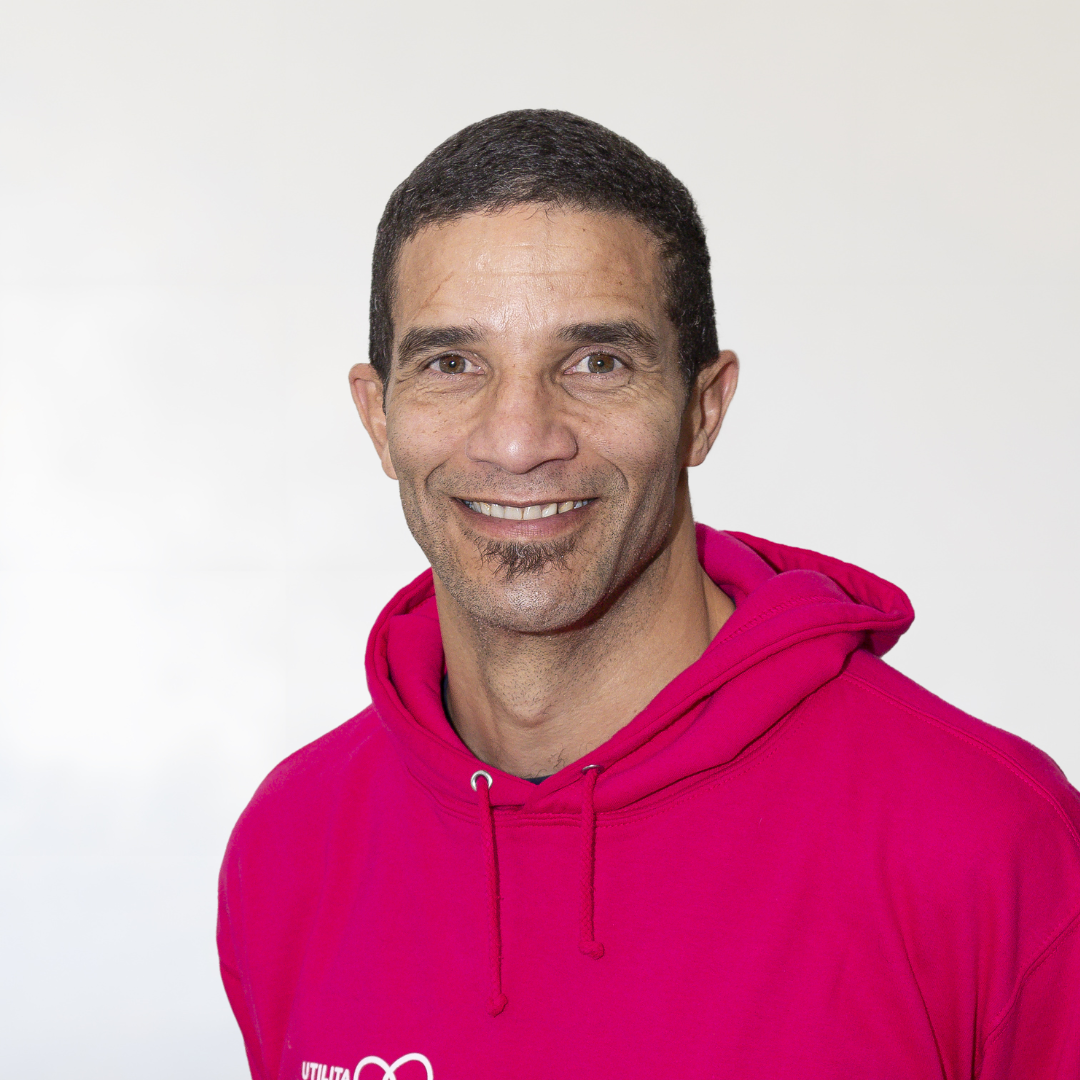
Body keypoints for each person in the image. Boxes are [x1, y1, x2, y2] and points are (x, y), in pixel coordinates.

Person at [218, 110, 1080, 1080]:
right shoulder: (292, 847)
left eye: (597, 363)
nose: (519, 440)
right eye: (452, 365)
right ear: (379, 417)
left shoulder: (985, 844)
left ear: (703, 409)